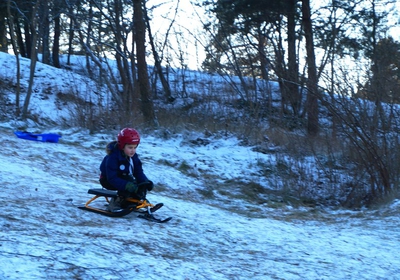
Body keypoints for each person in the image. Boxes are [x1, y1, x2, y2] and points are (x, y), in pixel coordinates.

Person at [99, 128, 154, 211]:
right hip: (107, 180)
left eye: (135, 147)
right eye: (130, 147)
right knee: (129, 184)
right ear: (122, 146)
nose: (133, 151)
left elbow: (138, 172)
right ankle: (116, 203)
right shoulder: (113, 157)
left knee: (138, 185)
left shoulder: (133, 157)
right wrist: (127, 185)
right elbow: (112, 178)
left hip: (123, 178)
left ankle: (133, 202)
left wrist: (145, 182)